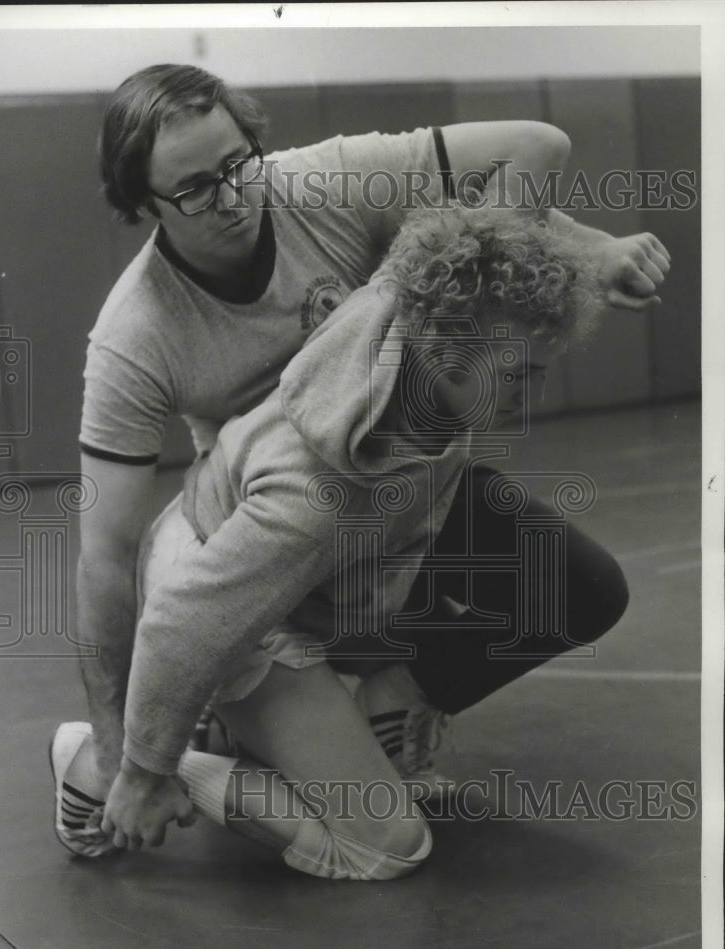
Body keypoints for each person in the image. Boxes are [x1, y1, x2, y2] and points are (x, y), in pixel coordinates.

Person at [77, 63, 670, 812]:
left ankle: (387, 694)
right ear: (141, 203)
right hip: (271, 521)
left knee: (578, 589)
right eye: (194, 189)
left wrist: (585, 247)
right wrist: (117, 757)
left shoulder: (320, 182)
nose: (231, 199)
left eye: (236, 165)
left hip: (392, 480)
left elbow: (522, 158)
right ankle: (253, 728)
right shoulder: (134, 336)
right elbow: (106, 558)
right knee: (373, 827)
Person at [55, 204, 634, 879]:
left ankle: (318, 727)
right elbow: (180, 624)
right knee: (384, 847)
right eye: (516, 374)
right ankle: (122, 765)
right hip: (231, 604)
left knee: (570, 581)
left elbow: (497, 189)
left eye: (536, 370)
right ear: (443, 346)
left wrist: (596, 247)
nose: (528, 394)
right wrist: (141, 769)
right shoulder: (317, 492)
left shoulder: (411, 296)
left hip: (313, 572)